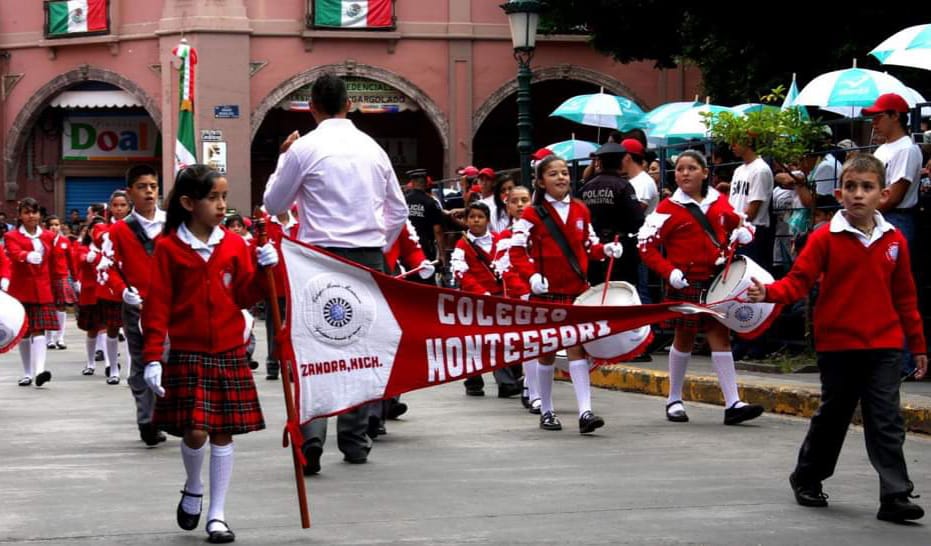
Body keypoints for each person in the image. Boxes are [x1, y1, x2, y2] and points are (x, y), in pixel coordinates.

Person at [747, 154, 926, 523]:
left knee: (887, 419)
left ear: (883, 193)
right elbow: (798, 282)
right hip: (838, 345)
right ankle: (807, 477)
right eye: (851, 187)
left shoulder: (895, 241)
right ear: (840, 192)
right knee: (834, 416)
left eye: (867, 187)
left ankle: (895, 495)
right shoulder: (824, 237)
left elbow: (906, 298)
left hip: (884, 344)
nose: (858, 194)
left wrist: (918, 346)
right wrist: (768, 293)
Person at [262, 72, 408, 474]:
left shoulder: (303, 148)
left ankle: (311, 437)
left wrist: (283, 158)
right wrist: (379, 242)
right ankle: (355, 438)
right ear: (348, 105)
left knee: (314, 345)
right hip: (366, 256)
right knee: (362, 347)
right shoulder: (373, 148)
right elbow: (397, 210)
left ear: (312, 108)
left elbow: (274, 204)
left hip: (317, 257)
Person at [142, 165, 277, 543]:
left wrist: (268, 272)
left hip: (229, 350)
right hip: (187, 351)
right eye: (213, 198)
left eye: (224, 197)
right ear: (188, 203)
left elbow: (245, 295)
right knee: (196, 431)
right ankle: (193, 485)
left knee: (222, 433)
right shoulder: (168, 248)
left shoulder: (235, 245)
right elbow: (157, 306)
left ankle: (217, 515)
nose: (222, 206)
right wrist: (153, 356)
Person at [638, 150, 765, 425]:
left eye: (691, 168)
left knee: (720, 335)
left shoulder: (719, 202)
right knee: (684, 336)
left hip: (717, 281)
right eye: (680, 169)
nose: (684, 173)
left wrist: (746, 233)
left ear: (704, 172)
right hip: (685, 282)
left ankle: (733, 403)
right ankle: (674, 399)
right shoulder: (667, 208)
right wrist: (669, 272)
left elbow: (742, 223)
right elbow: (645, 246)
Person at [509, 155, 624, 433]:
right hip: (546, 294)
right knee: (547, 353)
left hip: (577, 292)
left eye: (564, 173)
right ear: (540, 181)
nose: (561, 177)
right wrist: (532, 276)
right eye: (553, 174)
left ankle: (585, 411)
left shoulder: (582, 210)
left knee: (578, 349)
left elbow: (589, 246)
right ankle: (546, 410)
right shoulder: (532, 214)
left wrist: (606, 250)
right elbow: (516, 252)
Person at [103, 165, 169, 445]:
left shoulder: (173, 224)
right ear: (130, 192)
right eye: (142, 187)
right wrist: (122, 292)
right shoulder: (118, 231)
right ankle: (147, 420)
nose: (149, 192)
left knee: (170, 359)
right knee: (141, 361)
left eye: (153, 186)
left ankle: (170, 414)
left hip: (171, 305)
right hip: (136, 306)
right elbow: (107, 267)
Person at [451, 201, 522, 398]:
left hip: (501, 298)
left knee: (501, 339)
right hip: (475, 299)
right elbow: (461, 272)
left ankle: (508, 381)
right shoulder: (462, 245)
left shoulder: (500, 240)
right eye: (472, 217)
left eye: (480, 217)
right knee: (474, 340)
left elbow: (509, 266)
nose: (476, 220)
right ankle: (474, 380)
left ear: (487, 220)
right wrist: (480, 292)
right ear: (466, 220)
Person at [3, 197, 59, 387]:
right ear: (20, 215)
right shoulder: (12, 236)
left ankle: (40, 370)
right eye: (26, 212)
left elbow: (54, 263)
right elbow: (13, 252)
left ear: (39, 215)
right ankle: (27, 372)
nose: (31, 216)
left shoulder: (49, 236)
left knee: (39, 329)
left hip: (43, 289)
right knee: (25, 333)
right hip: (21, 290)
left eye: (34, 212)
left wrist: (61, 283)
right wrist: (26, 256)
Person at [494, 185, 539, 411]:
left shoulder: (540, 230)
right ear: (508, 207)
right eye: (515, 201)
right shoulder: (505, 236)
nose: (521, 205)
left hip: (542, 293)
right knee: (529, 343)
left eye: (525, 200)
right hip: (520, 296)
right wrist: (525, 291)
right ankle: (531, 388)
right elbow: (506, 269)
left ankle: (534, 387)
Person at [578, 142, 645, 286]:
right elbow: (638, 219)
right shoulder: (623, 186)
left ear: (600, 162)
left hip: (594, 249)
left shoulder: (586, 187)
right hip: (621, 250)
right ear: (621, 162)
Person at [404, 168, 445, 279]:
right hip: (425, 246)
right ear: (426, 183)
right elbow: (438, 230)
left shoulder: (404, 201)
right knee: (426, 276)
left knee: (408, 278)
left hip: (406, 246)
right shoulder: (431, 202)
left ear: (412, 182)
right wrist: (442, 254)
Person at [44, 215, 75, 350]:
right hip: (46, 278)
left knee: (61, 307)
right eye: (51, 225)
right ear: (46, 227)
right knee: (48, 307)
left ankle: (60, 337)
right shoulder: (43, 241)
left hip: (61, 277)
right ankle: (49, 338)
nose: (54, 227)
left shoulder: (65, 241)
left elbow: (71, 261)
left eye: (56, 224)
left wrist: (75, 278)